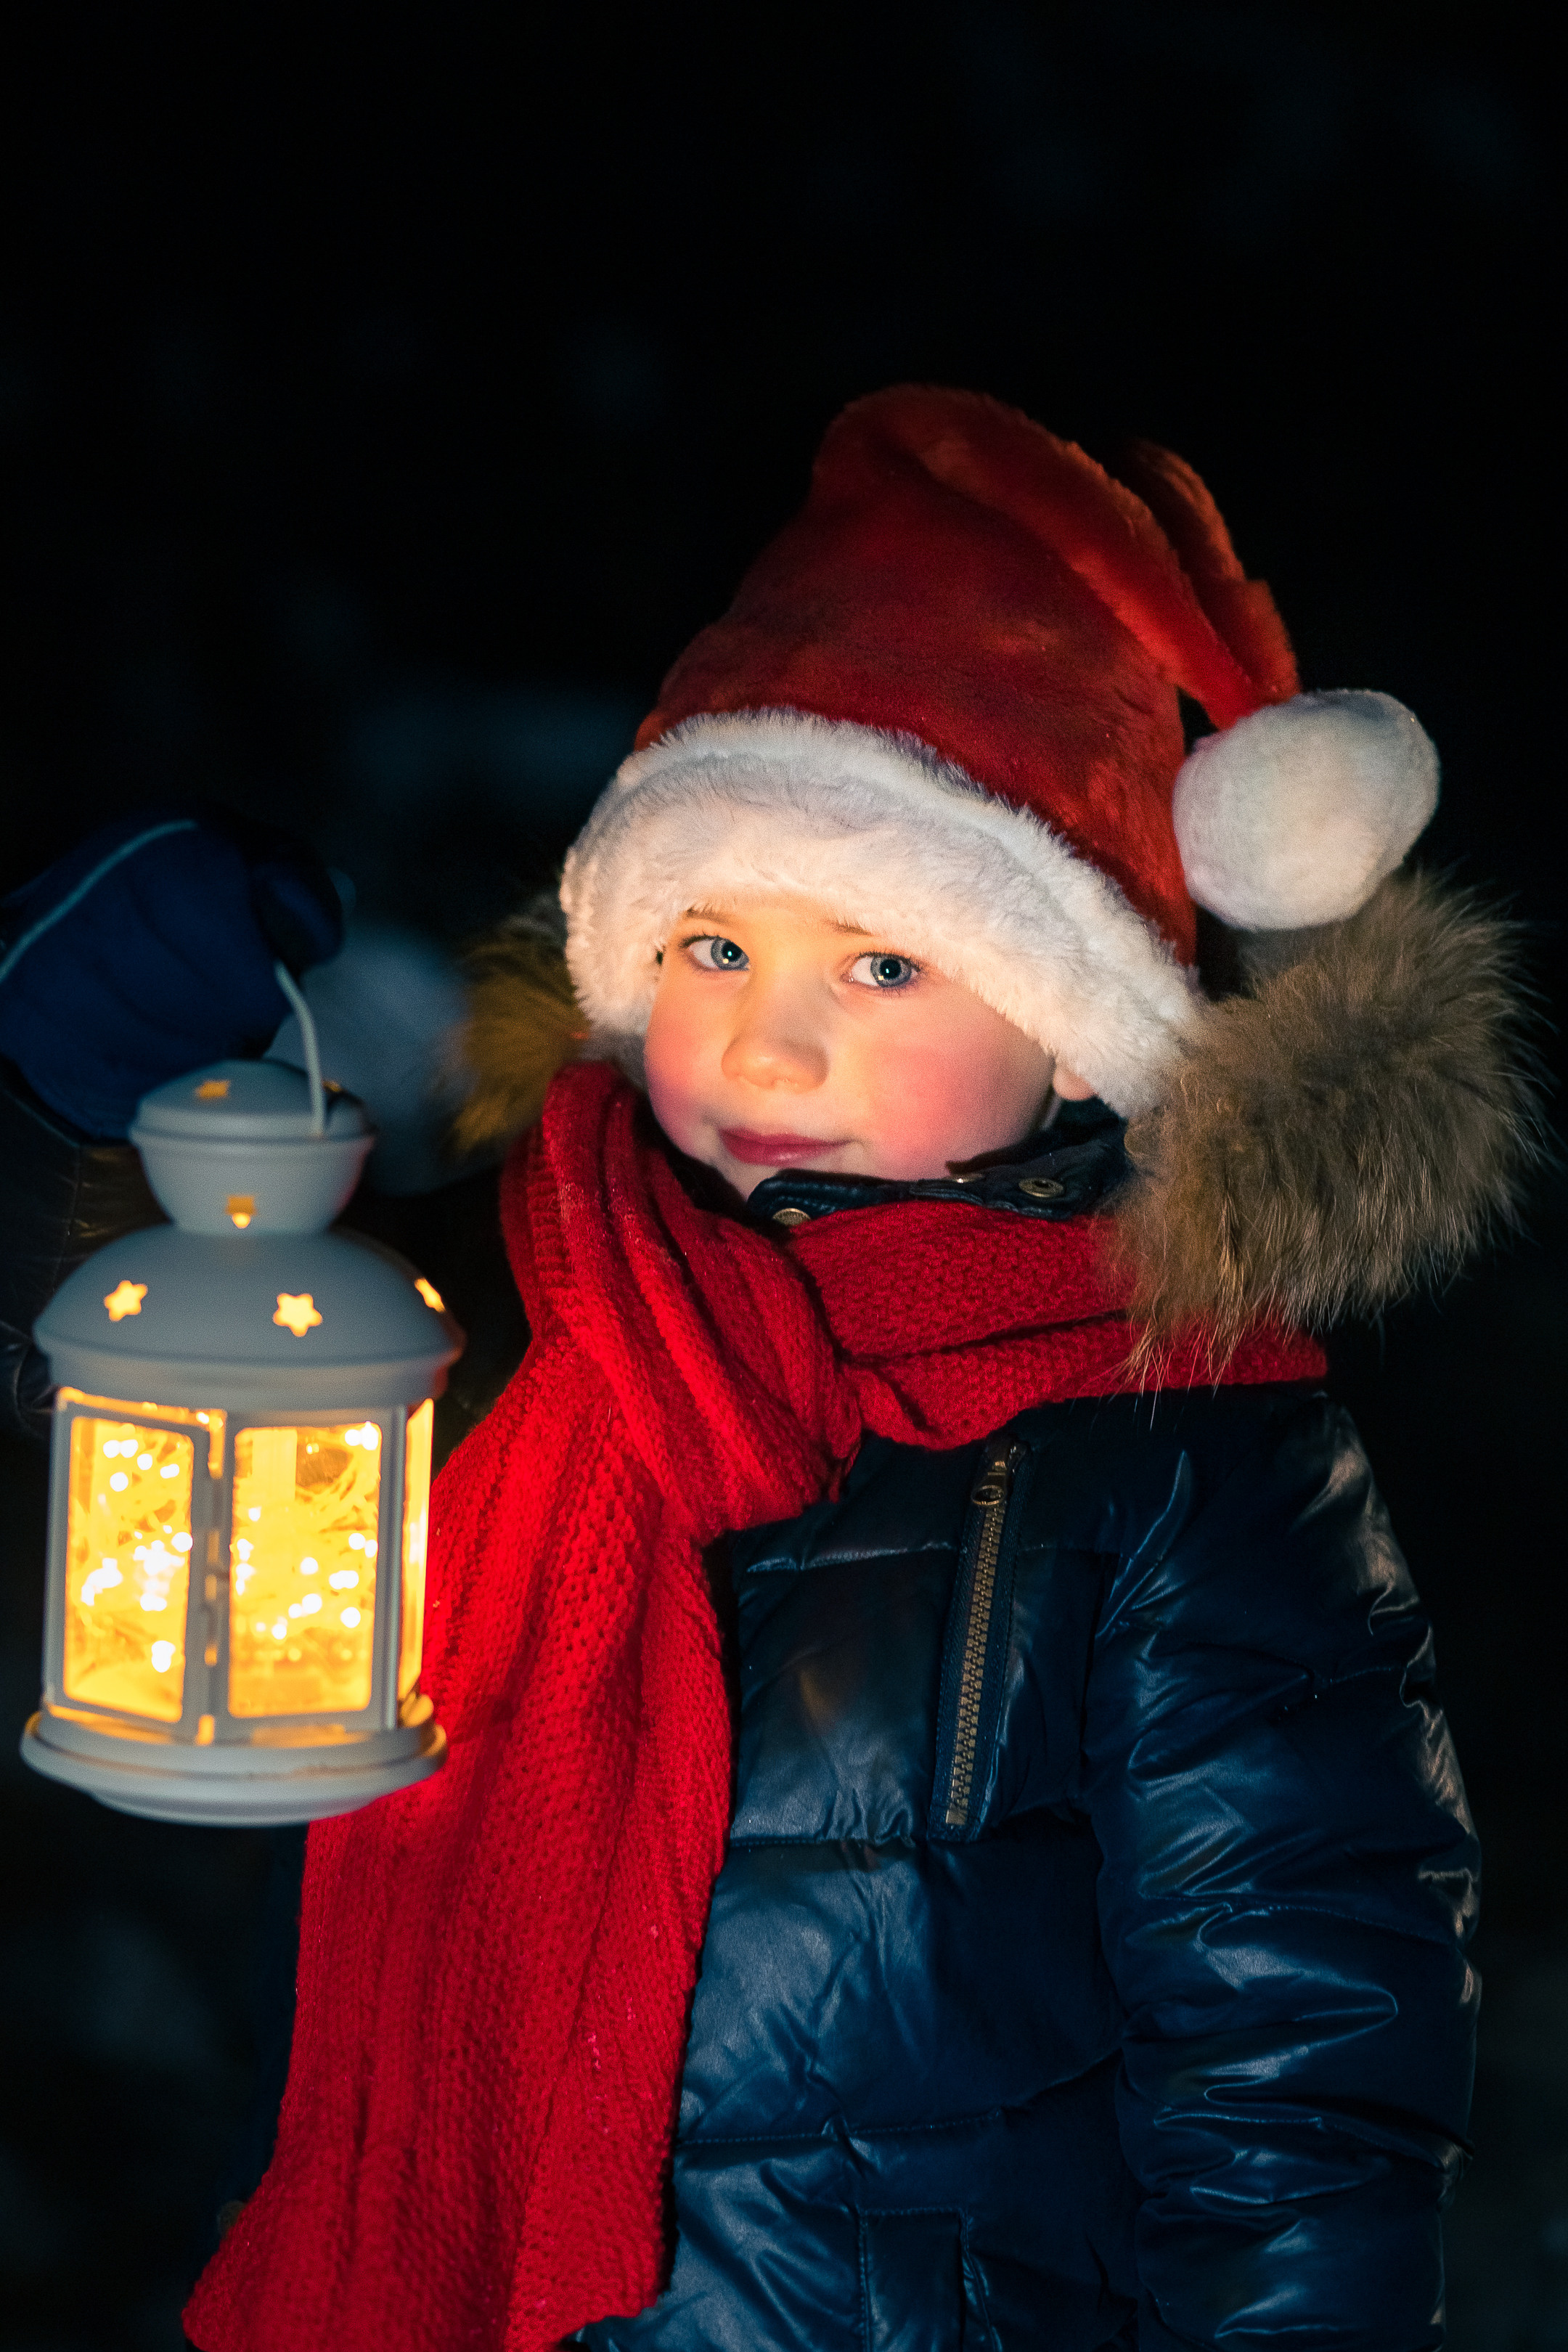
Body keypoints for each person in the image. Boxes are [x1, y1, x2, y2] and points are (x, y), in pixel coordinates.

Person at [0, 388, 1529, 2352]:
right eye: (714, 948)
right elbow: (139, 1398)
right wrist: (68, 1100)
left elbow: (1296, 2047)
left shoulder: (1173, 1442)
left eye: (883, 966)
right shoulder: (519, 1295)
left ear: (1078, 1038)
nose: (767, 1045)